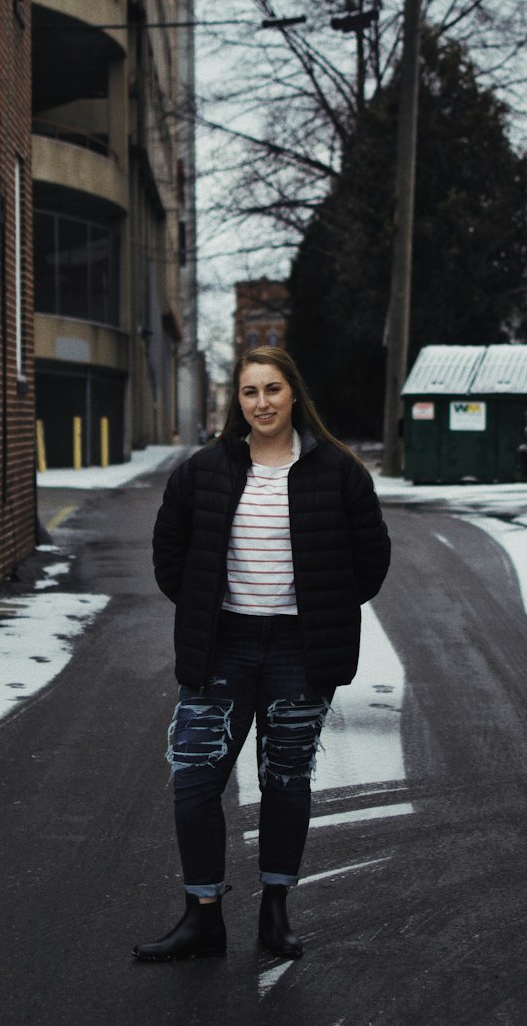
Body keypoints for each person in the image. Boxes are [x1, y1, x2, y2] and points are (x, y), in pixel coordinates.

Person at [133, 346, 391, 963]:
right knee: (194, 780)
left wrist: (325, 608)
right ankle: (203, 917)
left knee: (285, 778)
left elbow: (371, 560)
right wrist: (202, 606)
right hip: (223, 644)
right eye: (250, 392)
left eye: (272, 389)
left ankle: (275, 913)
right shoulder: (205, 471)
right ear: (238, 402)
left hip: (300, 650)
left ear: (293, 394)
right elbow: (169, 551)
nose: (262, 403)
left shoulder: (339, 472)